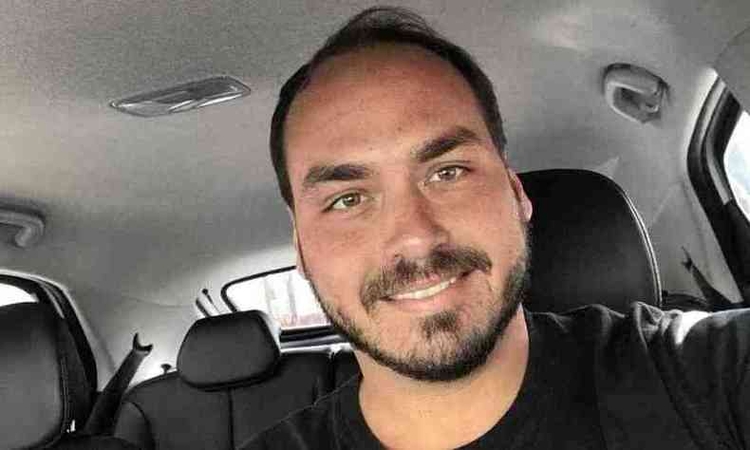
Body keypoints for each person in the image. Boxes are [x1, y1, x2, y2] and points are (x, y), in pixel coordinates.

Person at [243, 6, 750, 449]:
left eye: (448, 172)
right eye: (348, 199)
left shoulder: (703, 372)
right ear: (301, 249)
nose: (415, 236)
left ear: (515, 193)